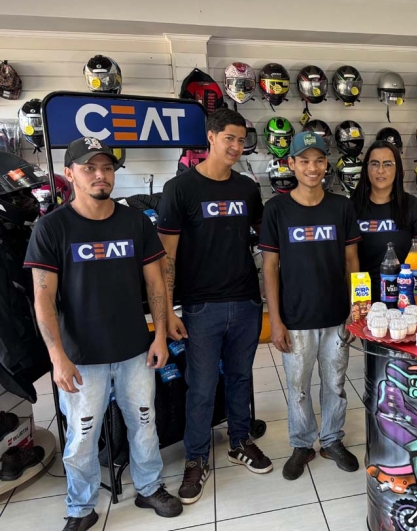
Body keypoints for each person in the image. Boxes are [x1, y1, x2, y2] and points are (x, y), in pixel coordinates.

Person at [24, 137, 182, 531]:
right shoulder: (51, 227)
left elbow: (155, 282)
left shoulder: (134, 222)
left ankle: (149, 487)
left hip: (135, 350)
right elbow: (43, 298)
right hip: (81, 358)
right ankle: (81, 507)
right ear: (70, 173)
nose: (100, 175)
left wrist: (159, 335)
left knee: (144, 423)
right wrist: (57, 357)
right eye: (89, 168)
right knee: (82, 436)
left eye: (107, 167)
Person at [157, 108, 271, 505]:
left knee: (240, 379)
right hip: (200, 307)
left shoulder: (247, 188)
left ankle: (240, 441)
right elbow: (166, 256)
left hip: (246, 301)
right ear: (211, 137)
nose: (236, 147)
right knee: (202, 387)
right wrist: (167, 312)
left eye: (241, 140)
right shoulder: (179, 188)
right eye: (229, 139)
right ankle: (196, 458)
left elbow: (265, 239)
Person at [260, 131, 362, 481]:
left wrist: (357, 309)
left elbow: (352, 261)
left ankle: (332, 440)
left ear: (327, 164)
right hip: (295, 318)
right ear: (291, 163)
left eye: (319, 160)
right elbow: (270, 267)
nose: (312, 167)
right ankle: (302, 443)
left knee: (335, 384)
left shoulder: (341, 206)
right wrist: (275, 320)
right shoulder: (276, 210)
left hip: (337, 315)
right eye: (304, 160)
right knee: (298, 388)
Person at [350, 140, 417, 302]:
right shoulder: (351, 208)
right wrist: (352, 305)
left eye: (388, 164)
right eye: (374, 164)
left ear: (398, 169)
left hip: (405, 302)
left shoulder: (414, 207)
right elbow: (347, 262)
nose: (380, 170)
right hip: (363, 302)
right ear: (366, 168)